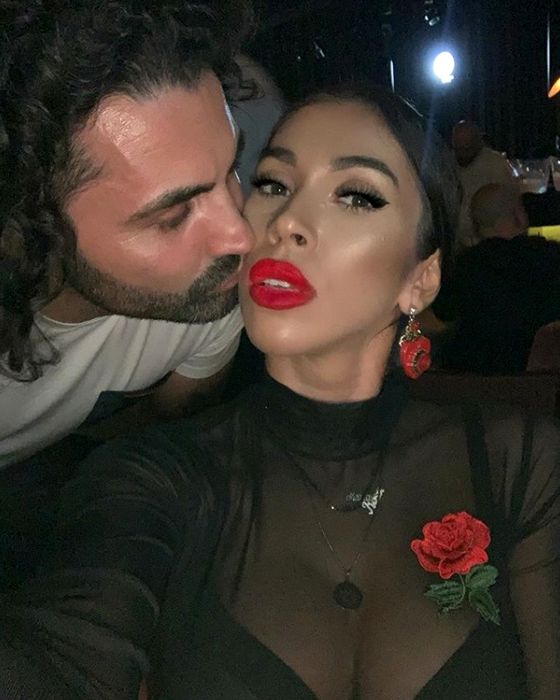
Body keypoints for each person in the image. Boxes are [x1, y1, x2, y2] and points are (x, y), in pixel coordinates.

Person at [2, 87, 559, 700]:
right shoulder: (155, 476)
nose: (287, 221)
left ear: (420, 279)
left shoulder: (517, 462)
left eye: (356, 195)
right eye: (271, 184)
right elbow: (64, 650)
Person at [0, 0, 255, 469]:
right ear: (31, 223)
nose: (240, 236)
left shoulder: (211, 294)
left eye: (231, 169)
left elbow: (165, 450)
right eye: (174, 215)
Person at [435, 183, 560, 374]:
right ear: (519, 215)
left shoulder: (463, 265)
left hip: (472, 377)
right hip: (538, 379)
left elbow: (443, 312)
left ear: (475, 225)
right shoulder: (548, 257)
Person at [451, 120, 515, 248]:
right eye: (458, 149)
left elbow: (508, 207)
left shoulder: (495, 165)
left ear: (479, 143)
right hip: (456, 244)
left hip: (487, 244)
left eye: (467, 149)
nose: (461, 154)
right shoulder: (447, 163)